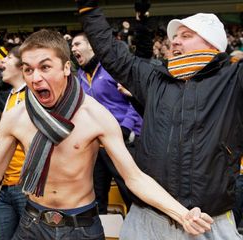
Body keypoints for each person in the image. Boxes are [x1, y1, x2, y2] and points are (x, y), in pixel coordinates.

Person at [0, 29, 213, 240]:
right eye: (29, 70)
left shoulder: (95, 115)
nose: (36, 77)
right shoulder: (16, 115)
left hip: (81, 228)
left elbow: (134, 177)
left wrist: (181, 213)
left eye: (45, 67)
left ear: (67, 68)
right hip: (31, 224)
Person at [76, 1, 243, 239]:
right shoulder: (156, 79)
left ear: (213, 44)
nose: (174, 41)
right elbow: (112, 54)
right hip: (148, 219)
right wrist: (89, 10)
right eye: (174, 36)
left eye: (186, 36)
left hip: (209, 221)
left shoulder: (233, 80)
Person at [71, 32, 142, 213]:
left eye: (77, 44)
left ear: (92, 46)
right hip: (98, 144)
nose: (73, 49)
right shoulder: (79, 75)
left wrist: (126, 127)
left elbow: (134, 99)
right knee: (96, 196)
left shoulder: (112, 68)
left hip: (124, 139)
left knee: (131, 192)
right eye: (72, 46)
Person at [0, 46, 28, 240]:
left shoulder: (32, 95)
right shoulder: (11, 96)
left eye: (8, 58)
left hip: (26, 188)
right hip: (6, 186)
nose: (2, 62)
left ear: (23, 66)